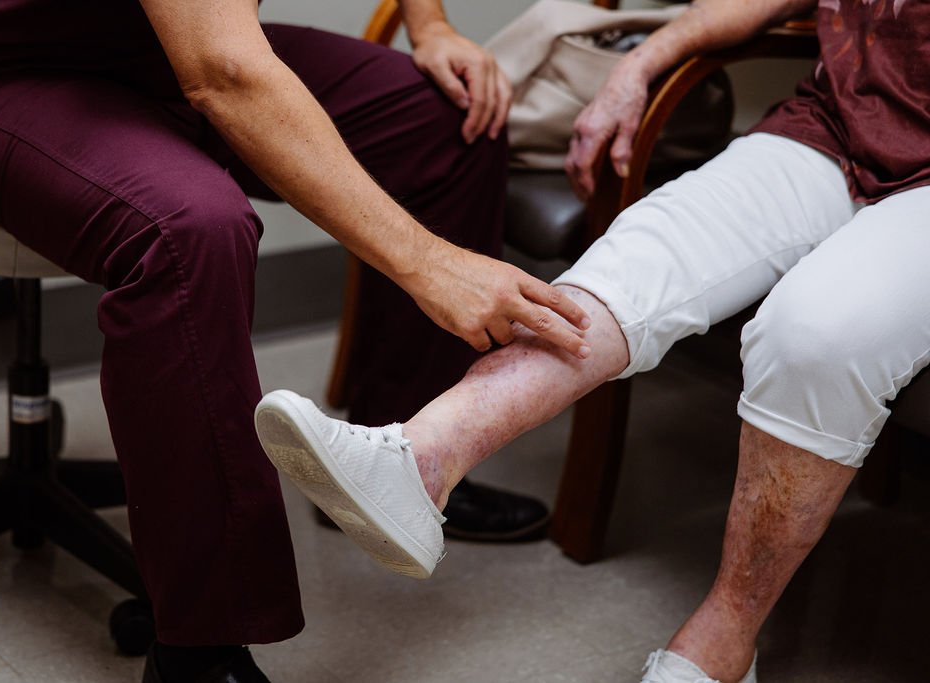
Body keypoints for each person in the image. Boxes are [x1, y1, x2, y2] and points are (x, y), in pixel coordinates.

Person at [0, 1, 594, 681]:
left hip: (153, 42)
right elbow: (224, 73)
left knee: (449, 120)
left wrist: (431, 25)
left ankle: (408, 456)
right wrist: (431, 264)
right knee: (188, 230)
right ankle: (199, 649)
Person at [254, 0, 930, 681]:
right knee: (639, 256)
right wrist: (635, 66)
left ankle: (725, 640)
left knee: (812, 334)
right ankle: (420, 460)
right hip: (831, 128)